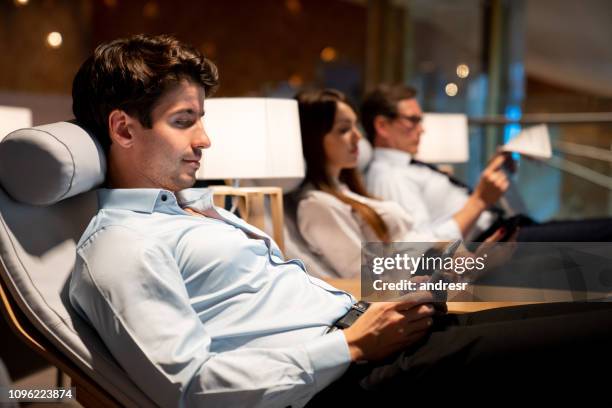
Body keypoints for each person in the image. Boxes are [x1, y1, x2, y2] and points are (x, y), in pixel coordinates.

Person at [68, 35, 612, 408]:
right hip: (354, 369)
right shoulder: (123, 247)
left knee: (589, 299)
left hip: (380, 326)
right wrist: (353, 344)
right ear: (123, 129)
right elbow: (186, 386)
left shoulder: (194, 210)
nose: (205, 141)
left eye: (200, 121)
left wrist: (420, 291)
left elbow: (318, 289)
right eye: (184, 122)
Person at [362, 83, 612, 242]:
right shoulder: (389, 175)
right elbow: (419, 248)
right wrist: (480, 200)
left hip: (507, 231)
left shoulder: (411, 167)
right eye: (412, 121)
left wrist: (497, 177)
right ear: (382, 125)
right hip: (492, 246)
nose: (422, 130)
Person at [295, 89, 462, 279]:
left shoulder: (346, 192)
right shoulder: (317, 205)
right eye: (343, 129)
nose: (357, 136)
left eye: (355, 126)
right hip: (415, 291)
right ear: (314, 138)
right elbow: (365, 278)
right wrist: (438, 262)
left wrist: (447, 250)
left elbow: (403, 246)